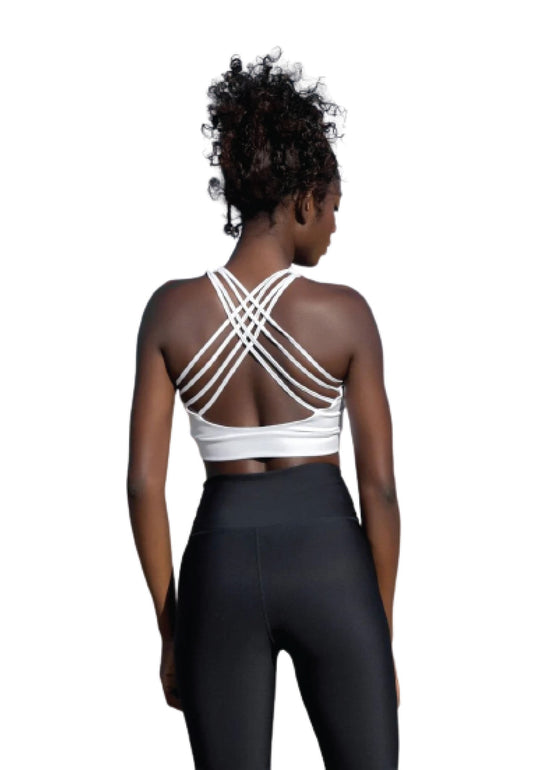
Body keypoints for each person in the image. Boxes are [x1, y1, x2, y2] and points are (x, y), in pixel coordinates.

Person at [127, 47, 401, 770]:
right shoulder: (345, 315)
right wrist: (378, 634)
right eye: (333, 208)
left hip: (217, 562)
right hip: (330, 564)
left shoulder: (169, 312)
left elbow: (143, 485)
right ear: (305, 199)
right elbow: (379, 489)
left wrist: (171, 630)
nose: (334, 227)